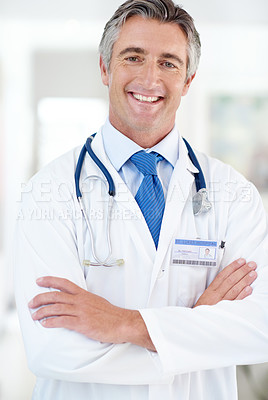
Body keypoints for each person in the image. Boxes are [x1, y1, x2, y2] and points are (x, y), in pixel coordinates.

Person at [14, 1, 268, 399]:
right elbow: (53, 349)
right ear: (104, 68)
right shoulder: (52, 192)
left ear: (188, 80)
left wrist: (123, 323)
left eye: (169, 63)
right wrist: (198, 329)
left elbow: (259, 328)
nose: (151, 79)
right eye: (134, 57)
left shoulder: (233, 194)